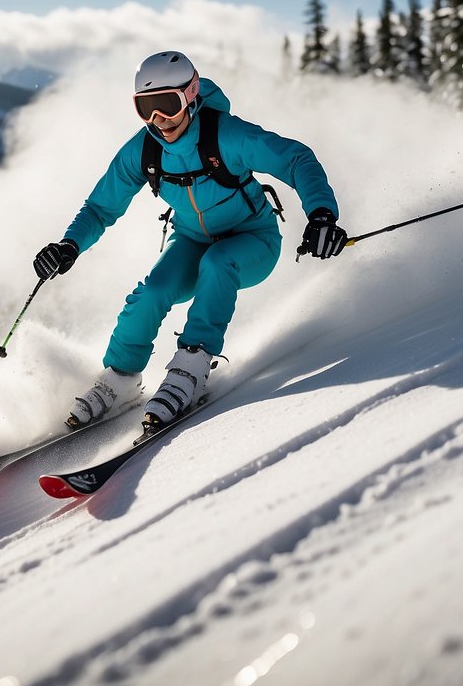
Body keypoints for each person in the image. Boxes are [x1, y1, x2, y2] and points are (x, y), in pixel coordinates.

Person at [33, 51, 347, 432]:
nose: (158, 120)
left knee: (218, 262)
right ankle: (121, 376)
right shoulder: (145, 149)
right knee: (153, 291)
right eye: (145, 109)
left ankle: (192, 366)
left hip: (253, 241)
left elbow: (297, 159)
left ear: (191, 93)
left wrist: (321, 215)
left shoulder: (226, 134)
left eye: (166, 104)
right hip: (192, 241)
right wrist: (70, 245)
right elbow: (101, 207)